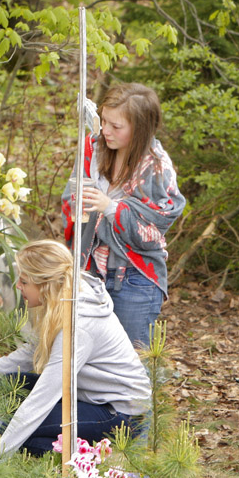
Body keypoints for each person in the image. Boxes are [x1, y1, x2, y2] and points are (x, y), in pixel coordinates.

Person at [0, 239, 151, 456]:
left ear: (45, 285)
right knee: (9, 384)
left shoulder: (78, 326)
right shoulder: (62, 304)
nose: (18, 287)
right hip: (89, 397)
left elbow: (44, 396)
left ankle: (92, 462)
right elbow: (31, 351)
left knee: (22, 436)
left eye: (24, 282)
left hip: (120, 415)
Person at [61, 83, 185, 348]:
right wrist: (76, 205)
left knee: (129, 367)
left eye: (116, 127)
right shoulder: (93, 149)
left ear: (140, 129)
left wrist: (111, 208)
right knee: (87, 361)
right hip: (90, 274)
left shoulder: (156, 165)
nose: (105, 130)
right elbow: (69, 199)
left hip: (135, 278)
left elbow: (154, 228)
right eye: (103, 120)